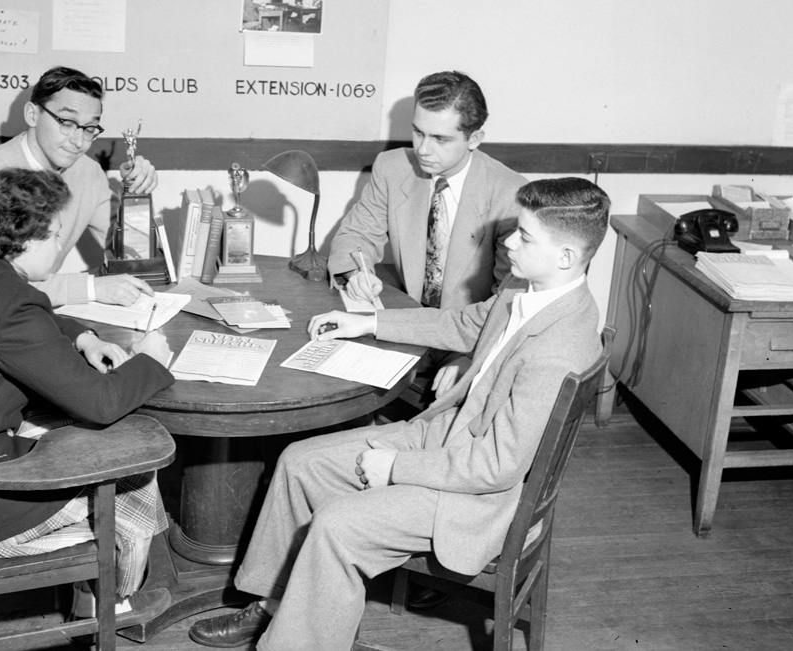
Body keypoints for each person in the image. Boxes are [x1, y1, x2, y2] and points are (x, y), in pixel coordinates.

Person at [187, 177, 610, 650]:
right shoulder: (527, 289)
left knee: (335, 528)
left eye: (525, 236)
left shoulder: (558, 350)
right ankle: (276, 605)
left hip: (476, 497)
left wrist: (395, 468)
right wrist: (367, 321)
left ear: (567, 256)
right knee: (297, 463)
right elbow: (466, 323)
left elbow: (497, 467)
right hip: (449, 438)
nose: (508, 242)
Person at [0, 168, 176, 626]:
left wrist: (83, 338)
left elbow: (24, 314)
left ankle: (95, 592)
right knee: (133, 463)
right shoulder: (11, 303)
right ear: (23, 240)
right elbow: (101, 404)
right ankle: (113, 603)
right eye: (55, 234)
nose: (60, 245)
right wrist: (152, 359)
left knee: (72, 431)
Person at [0, 66, 159, 308]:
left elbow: (129, 253)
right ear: (32, 115)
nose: (78, 142)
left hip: (30, 306)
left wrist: (135, 197)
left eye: (89, 128)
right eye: (66, 122)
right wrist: (91, 288)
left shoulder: (87, 171)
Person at [327, 70, 526, 311]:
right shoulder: (392, 168)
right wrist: (357, 275)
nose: (423, 150)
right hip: (408, 315)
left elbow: (506, 299)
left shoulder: (511, 194)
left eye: (440, 139)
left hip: (469, 331)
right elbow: (357, 235)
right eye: (418, 133)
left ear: (474, 139)